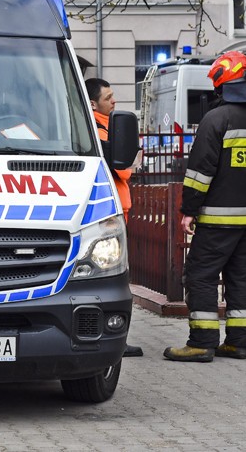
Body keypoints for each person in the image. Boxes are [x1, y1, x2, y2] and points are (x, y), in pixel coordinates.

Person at [164, 50, 246, 362]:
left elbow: (200, 173)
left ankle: (201, 341)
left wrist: (189, 209)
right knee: (242, 277)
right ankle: (240, 342)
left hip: (217, 220)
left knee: (201, 275)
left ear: (221, 83)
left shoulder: (216, 119)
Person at [85, 78, 143, 358]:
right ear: (94, 103)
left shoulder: (101, 126)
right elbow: (126, 170)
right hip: (111, 210)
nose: (114, 101)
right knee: (115, 274)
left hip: (114, 207)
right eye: (108, 98)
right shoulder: (100, 130)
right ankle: (116, 336)